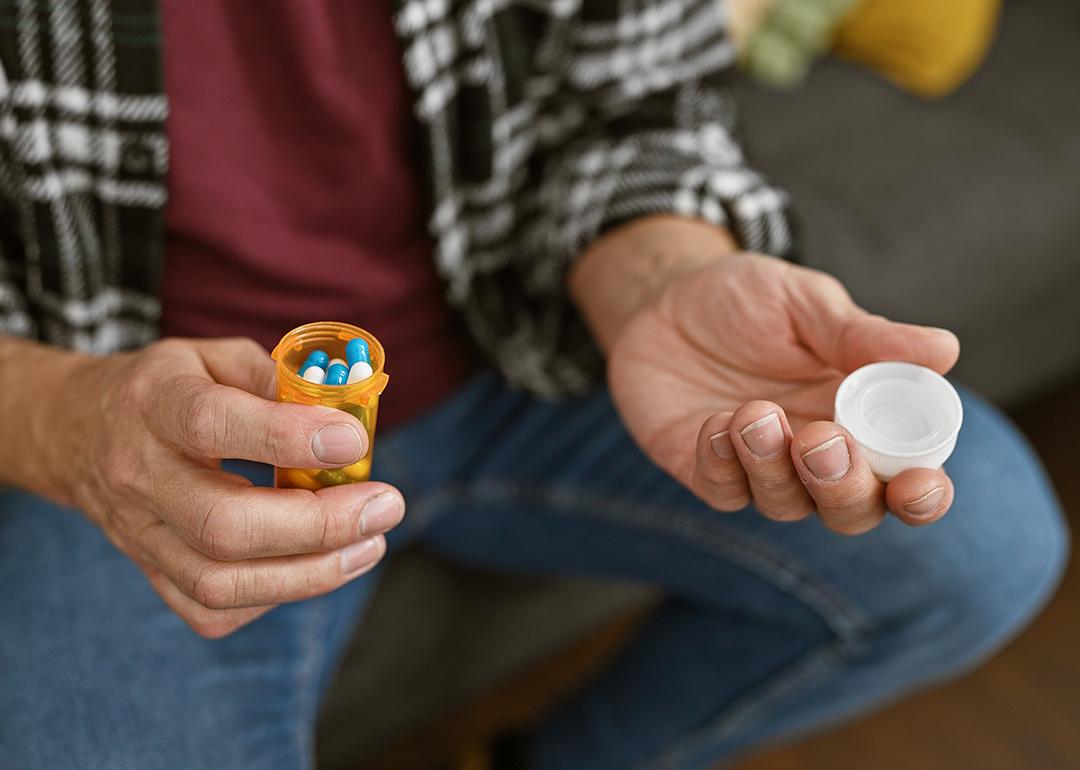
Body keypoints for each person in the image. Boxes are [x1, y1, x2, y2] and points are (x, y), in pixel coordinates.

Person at [0, 2, 1067, 769]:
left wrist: (663, 277)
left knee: (983, 543)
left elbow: (634, 102)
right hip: (141, 418)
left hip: (513, 338)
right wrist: (61, 417)